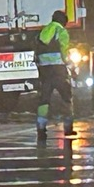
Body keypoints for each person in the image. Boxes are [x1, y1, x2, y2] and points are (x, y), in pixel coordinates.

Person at [35, 10, 75, 142]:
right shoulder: (61, 31)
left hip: (45, 70)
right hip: (58, 70)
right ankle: (68, 127)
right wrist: (71, 66)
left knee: (44, 99)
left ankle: (41, 129)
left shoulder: (45, 30)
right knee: (66, 97)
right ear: (64, 21)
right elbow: (64, 51)